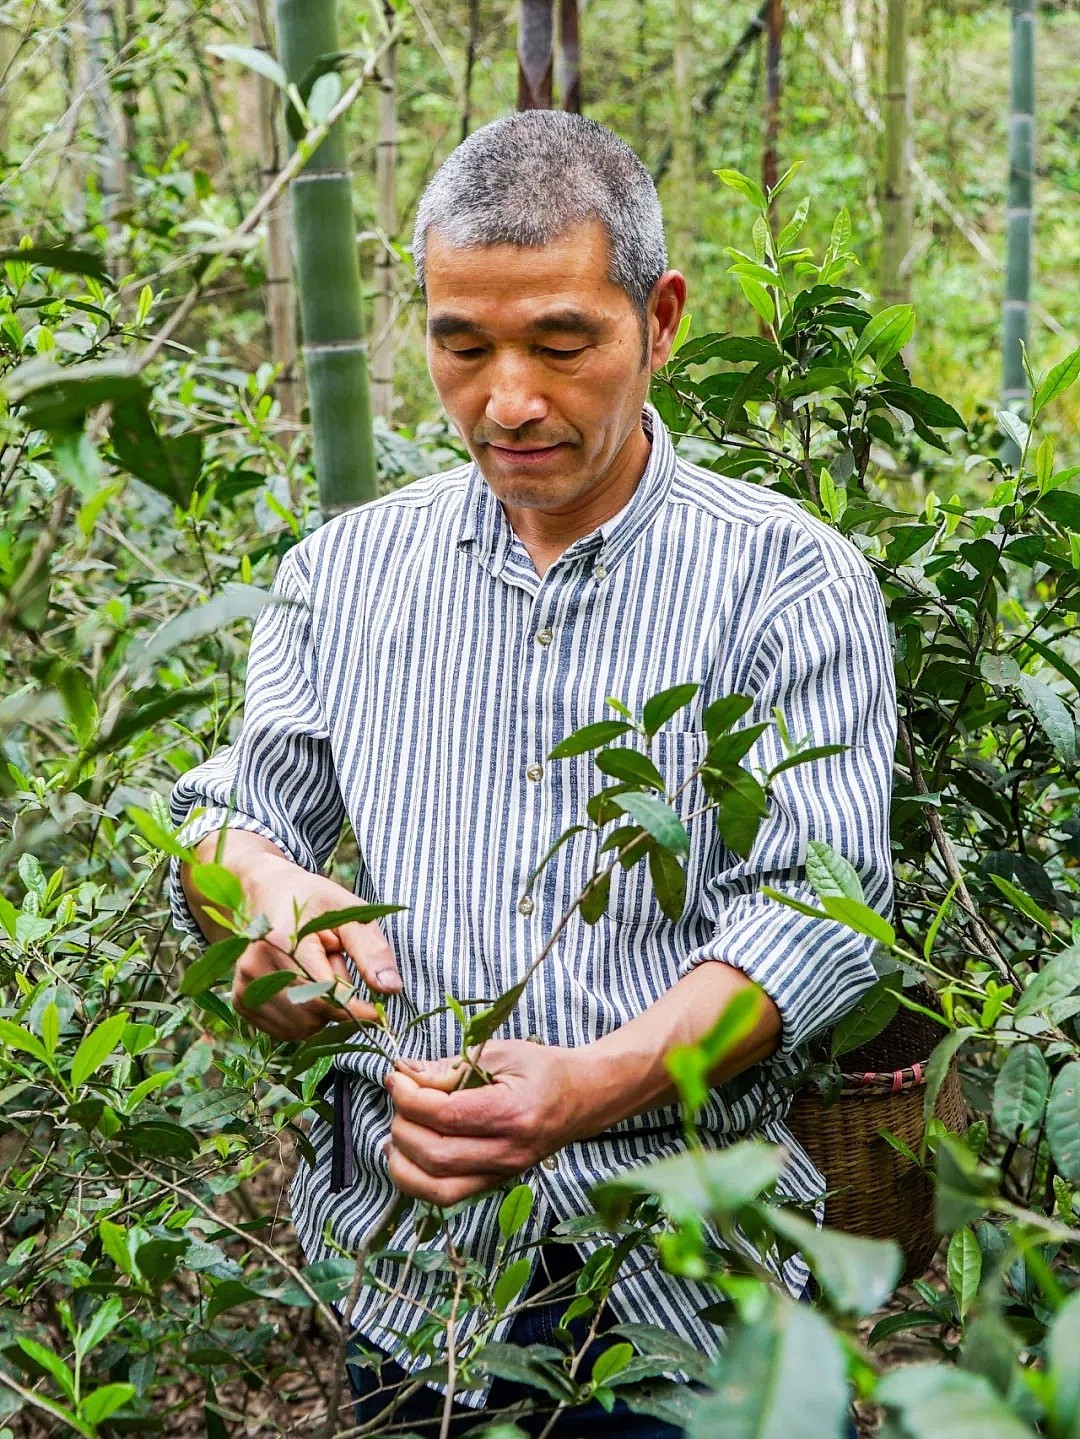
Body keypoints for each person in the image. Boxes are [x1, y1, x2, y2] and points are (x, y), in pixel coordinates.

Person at [170, 110, 893, 1437]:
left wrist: (591, 1083)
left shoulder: (788, 580)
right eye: (464, 346)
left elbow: (812, 919)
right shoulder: (345, 575)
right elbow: (231, 817)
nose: (509, 399)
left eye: (563, 344)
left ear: (659, 318)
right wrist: (266, 906)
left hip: (689, 1282)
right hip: (412, 1276)